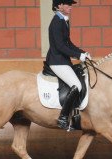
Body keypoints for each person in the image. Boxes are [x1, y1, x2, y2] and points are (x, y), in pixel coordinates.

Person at [45, 0, 91, 130]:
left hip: (64, 61)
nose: (70, 7)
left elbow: (68, 43)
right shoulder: (56, 22)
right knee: (76, 86)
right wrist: (78, 56)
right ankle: (63, 117)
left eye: (71, 5)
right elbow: (60, 46)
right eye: (67, 4)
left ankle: (75, 116)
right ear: (59, 6)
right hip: (57, 61)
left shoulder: (64, 20)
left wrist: (82, 53)